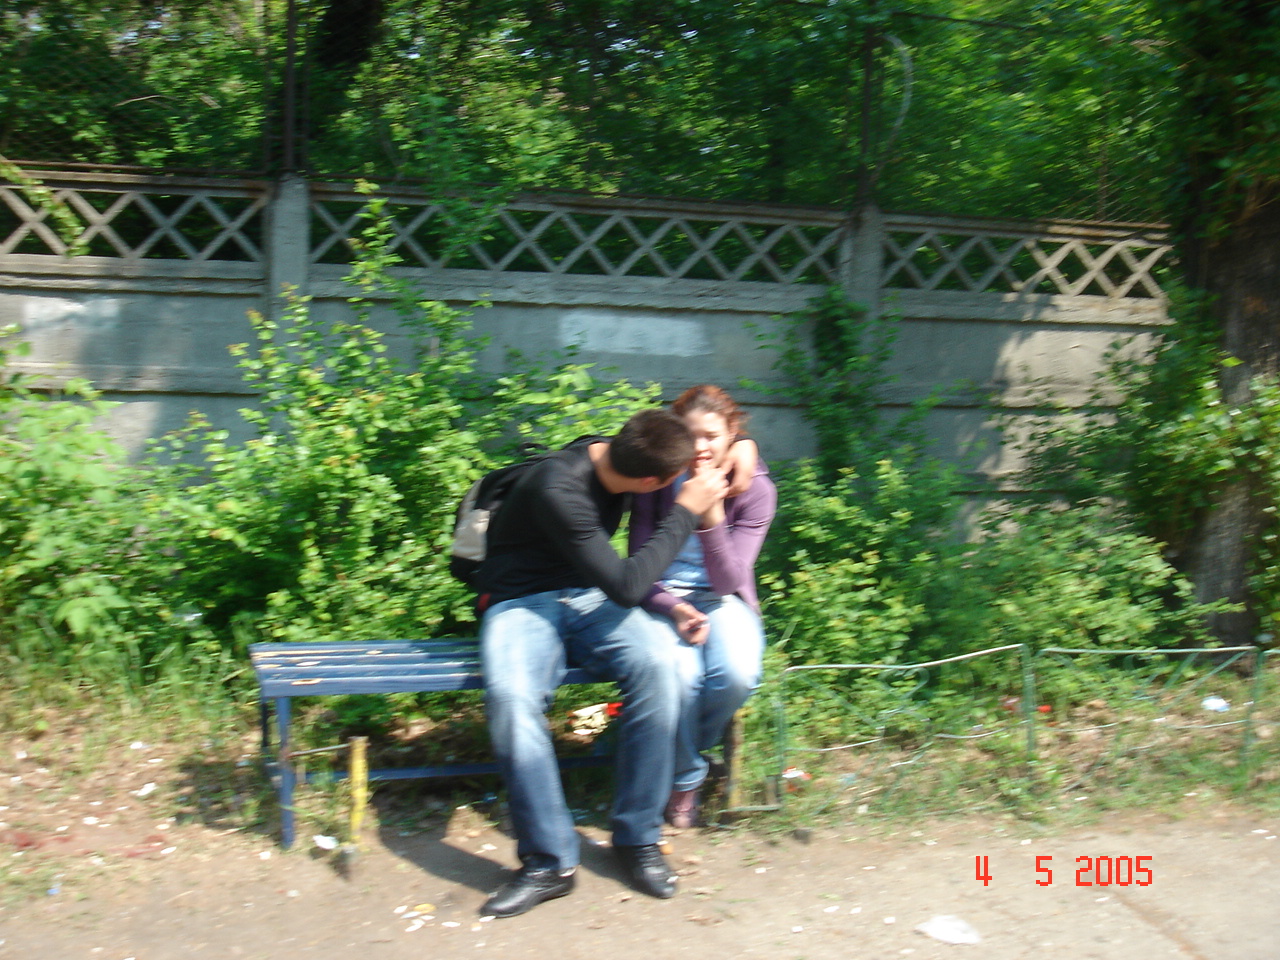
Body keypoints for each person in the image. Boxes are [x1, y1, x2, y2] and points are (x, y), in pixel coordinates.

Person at [475, 409, 728, 919]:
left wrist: (741, 451)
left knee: (661, 664)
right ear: (651, 483)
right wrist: (686, 510)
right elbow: (630, 586)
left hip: (588, 593)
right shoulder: (557, 487)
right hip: (521, 601)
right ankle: (549, 863)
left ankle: (637, 837)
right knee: (511, 697)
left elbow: (731, 452)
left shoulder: (623, 451)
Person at [628, 385, 777, 829]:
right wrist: (671, 606)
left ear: (733, 434)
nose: (699, 447)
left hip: (723, 597)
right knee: (680, 677)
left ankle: (681, 749)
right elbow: (640, 567)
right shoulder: (658, 479)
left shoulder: (756, 490)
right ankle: (687, 776)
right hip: (663, 597)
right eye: (690, 435)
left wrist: (712, 520)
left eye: (711, 436)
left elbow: (730, 580)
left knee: (738, 674)